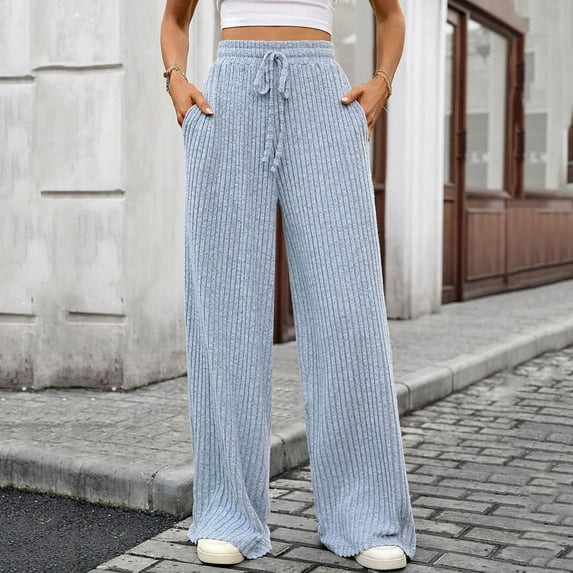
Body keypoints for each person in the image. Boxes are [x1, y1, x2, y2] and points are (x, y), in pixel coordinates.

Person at [160, 0, 416, 570]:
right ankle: (228, 511)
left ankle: (366, 514)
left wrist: (382, 81)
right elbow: (175, 19)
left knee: (346, 308)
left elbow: (391, 15)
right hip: (228, 99)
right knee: (225, 308)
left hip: (321, 94)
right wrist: (176, 79)